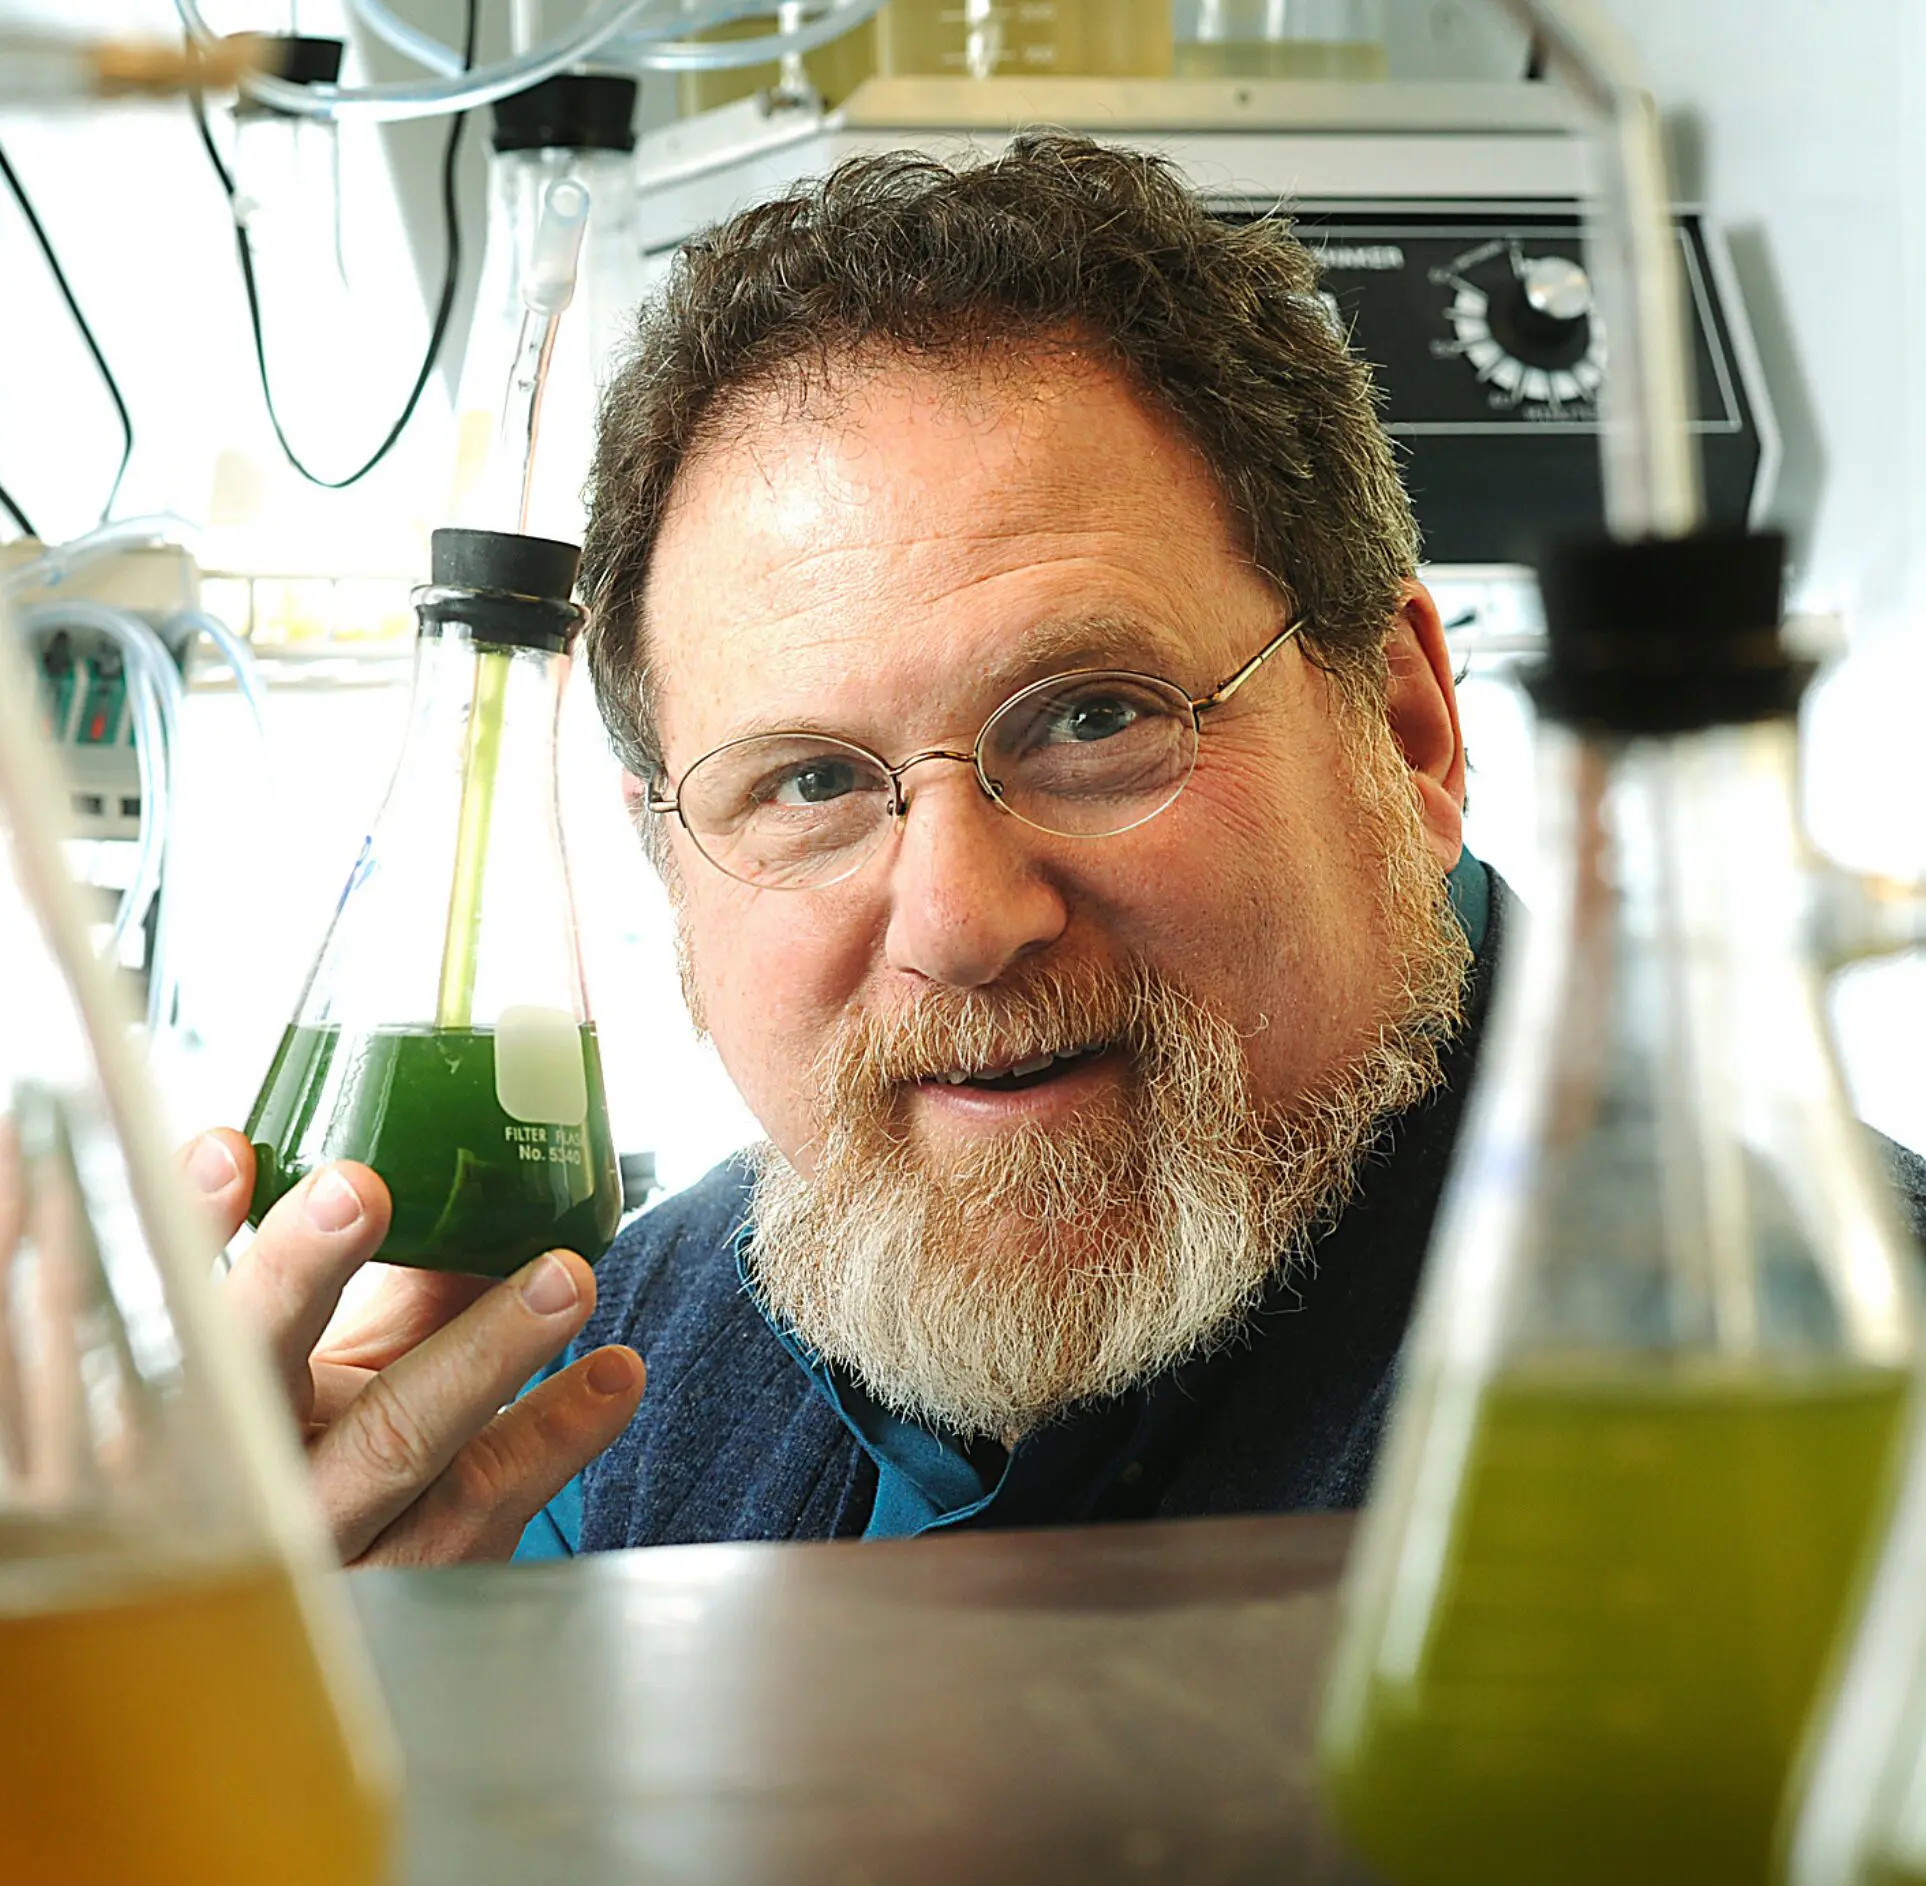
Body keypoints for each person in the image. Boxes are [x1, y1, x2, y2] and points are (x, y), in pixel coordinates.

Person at [179, 136, 1511, 1558]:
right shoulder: (595, 1388)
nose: (956, 918)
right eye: (809, 780)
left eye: (1089, 718)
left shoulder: (1720, 1357)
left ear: (1401, 726)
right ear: (668, 870)